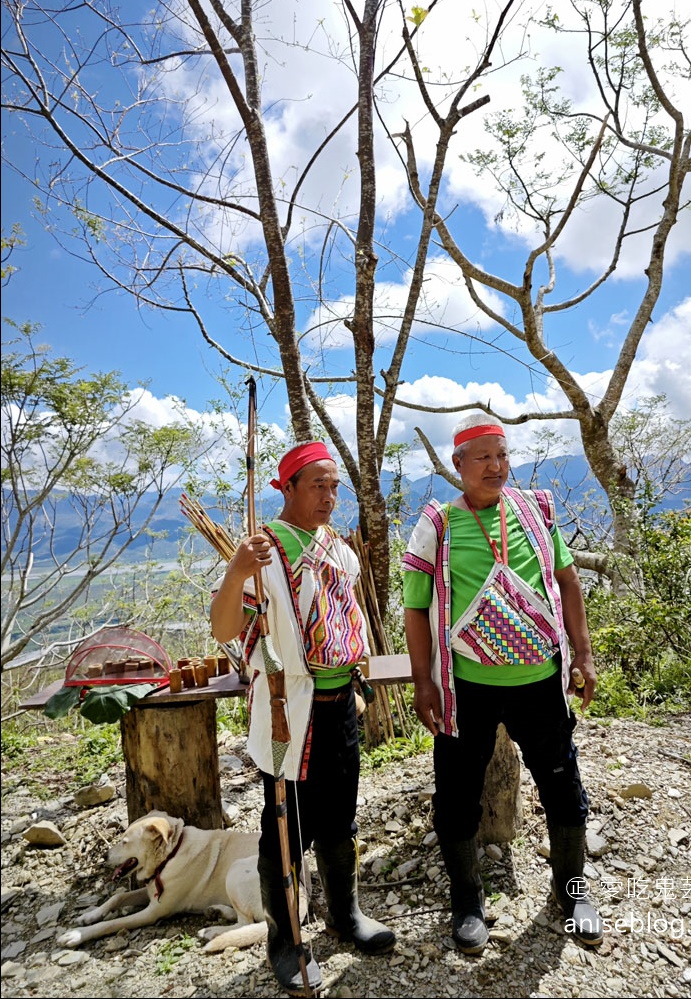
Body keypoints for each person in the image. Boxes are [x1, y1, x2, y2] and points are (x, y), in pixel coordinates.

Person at [403, 414, 603, 955]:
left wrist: (582, 652)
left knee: (564, 790)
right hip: (466, 687)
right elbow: (416, 610)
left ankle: (573, 891)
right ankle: (467, 902)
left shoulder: (536, 511)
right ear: (458, 465)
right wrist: (424, 682)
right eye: (483, 457)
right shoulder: (438, 525)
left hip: (540, 683)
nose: (496, 466)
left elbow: (566, 580)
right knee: (456, 797)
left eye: (502, 454)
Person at [210, 442, 395, 996]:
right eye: (317, 485)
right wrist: (236, 569)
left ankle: (344, 914)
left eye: (335, 486)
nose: (329, 497)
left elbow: (351, 620)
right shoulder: (262, 551)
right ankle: (285, 942)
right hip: (291, 711)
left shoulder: (339, 551)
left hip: (341, 706)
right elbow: (223, 629)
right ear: (286, 488)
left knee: (341, 819)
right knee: (285, 833)